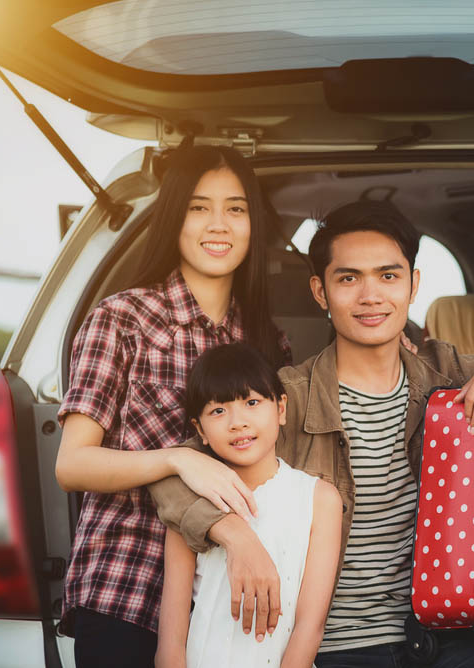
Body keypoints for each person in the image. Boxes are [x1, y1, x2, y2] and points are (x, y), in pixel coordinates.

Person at [150, 200, 474, 667]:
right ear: (320, 291)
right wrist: (232, 533)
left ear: (414, 285)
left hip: (438, 634)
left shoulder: (452, 375)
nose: (371, 296)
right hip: (326, 644)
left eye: (389, 276)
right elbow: (175, 476)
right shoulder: (284, 398)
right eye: (349, 278)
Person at [54, 145, 292, 668]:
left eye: (235, 208)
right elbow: (72, 464)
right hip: (129, 587)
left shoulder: (265, 342)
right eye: (198, 206)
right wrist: (179, 457)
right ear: (173, 217)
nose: (218, 224)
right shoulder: (122, 318)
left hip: (228, 602)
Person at [156, 342, 341, 668]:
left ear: (281, 408)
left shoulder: (319, 499)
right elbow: (171, 638)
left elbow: (310, 628)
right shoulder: (192, 506)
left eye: (252, 402)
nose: (237, 422)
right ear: (199, 430)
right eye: (218, 411)